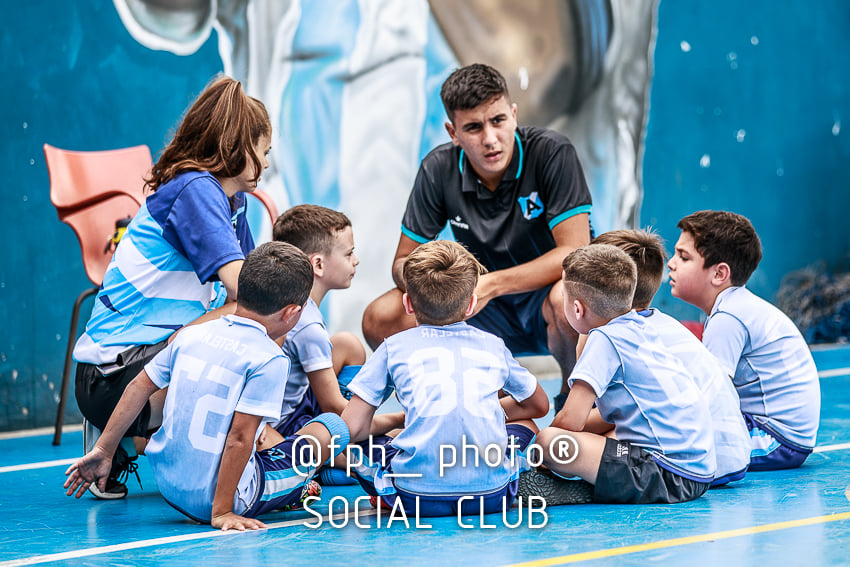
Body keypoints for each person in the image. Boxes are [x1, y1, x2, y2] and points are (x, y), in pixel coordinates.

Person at [72, 75, 271, 499]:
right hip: (112, 376)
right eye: (264, 151)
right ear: (236, 146)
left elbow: (253, 283)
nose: (268, 164)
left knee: (255, 318)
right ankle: (124, 434)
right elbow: (248, 293)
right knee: (251, 315)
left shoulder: (232, 201)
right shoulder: (197, 190)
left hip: (138, 366)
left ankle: (123, 442)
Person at [64, 242, 351, 531]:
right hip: (219, 500)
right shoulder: (270, 357)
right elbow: (240, 437)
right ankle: (303, 485)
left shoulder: (192, 335)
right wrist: (222, 512)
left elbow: (138, 386)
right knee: (330, 428)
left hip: (169, 487)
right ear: (291, 312)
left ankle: (311, 479)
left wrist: (104, 449)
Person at [361, 63, 592, 411]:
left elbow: (573, 253)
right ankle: (458, 402)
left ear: (513, 115)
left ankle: (573, 401)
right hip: (474, 306)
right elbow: (402, 263)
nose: (489, 138)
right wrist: (437, 283)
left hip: (544, 303)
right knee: (382, 315)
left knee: (569, 296)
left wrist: (490, 285)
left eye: (498, 120)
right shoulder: (438, 169)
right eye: (473, 127)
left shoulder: (552, 152)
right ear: (453, 132)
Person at [341, 240, 549, 516]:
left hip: (414, 497)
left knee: (355, 445)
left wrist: (395, 426)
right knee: (527, 426)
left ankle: (387, 489)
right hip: (490, 496)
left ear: (407, 304)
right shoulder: (493, 345)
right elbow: (539, 406)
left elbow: (350, 430)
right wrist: (487, 413)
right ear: (472, 303)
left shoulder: (393, 347)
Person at [532, 244, 716, 505]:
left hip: (667, 475)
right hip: (698, 469)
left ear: (576, 309)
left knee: (550, 441)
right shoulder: (640, 326)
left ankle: (580, 489)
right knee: (590, 436)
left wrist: (538, 454)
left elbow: (571, 422)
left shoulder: (604, 340)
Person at [592, 229, 750, 486]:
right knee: (610, 434)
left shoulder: (623, 337)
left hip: (696, 464)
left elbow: (607, 416)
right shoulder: (661, 324)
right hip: (730, 457)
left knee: (564, 446)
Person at [668, 210, 821, 470]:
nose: (671, 263)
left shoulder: (728, 317)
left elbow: (712, 396)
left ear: (719, 274)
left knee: (669, 440)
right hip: (780, 433)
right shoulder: (732, 307)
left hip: (776, 439)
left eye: (683, 257)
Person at [270, 205, 403, 481]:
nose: (355, 261)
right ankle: (334, 463)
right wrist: (397, 419)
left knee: (348, 345)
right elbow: (332, 408)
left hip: (290, 406)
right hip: (283, 429)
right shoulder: (307, 325)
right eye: (348, 253)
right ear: (317, 264)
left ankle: (352, 444)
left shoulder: (294, 306)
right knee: (383, 454)